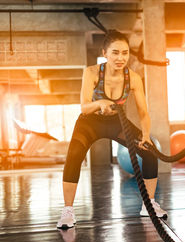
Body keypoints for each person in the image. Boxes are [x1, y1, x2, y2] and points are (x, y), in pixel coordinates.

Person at [57, 30, 167, 229]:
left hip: (118, 123)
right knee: (74, 154)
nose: (120, 58)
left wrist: (145, 135)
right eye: (115, 52)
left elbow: (143, 112)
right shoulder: (91, 73)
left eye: (125, 53)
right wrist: (100, 102)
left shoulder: (132, 78)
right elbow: (83, 106)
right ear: (105, 53)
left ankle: (149, 204)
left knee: (149, 154)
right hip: (89, 123)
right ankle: (67, 211)